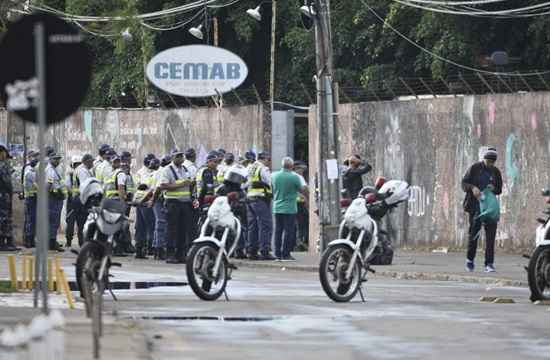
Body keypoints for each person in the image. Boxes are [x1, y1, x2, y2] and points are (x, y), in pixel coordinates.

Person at [462, 147, 503, 273]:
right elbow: (464, 183)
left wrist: (493, 188)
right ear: (483, 159)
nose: (489, 164)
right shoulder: (475, 168)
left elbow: (499, 189)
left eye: (492, 162)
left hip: (489, 208)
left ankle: (489, 264)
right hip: (475, 206)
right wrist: (473, 188)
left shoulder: (496, 172)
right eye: (487, 161)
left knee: (490, 236)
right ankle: (470, 260)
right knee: (474, 233)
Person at [160, 149, 196, 264]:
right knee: (171, 229)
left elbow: (189, 184)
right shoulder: (167, 170)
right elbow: (163, 185)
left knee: (183, 229)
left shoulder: (185, 169)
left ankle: (180, 254)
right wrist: (180, 184)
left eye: (181, 156)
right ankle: (170, 254)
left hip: (185, 203)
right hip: (172, 202)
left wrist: (191, 185)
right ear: (172, 158)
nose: (180, 159)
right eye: (177, 156)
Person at [271, 157, 308, 261]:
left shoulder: (273, 176)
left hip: (277, 207)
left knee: (278, 231)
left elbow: (272, 189)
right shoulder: (295, 177)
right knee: (288, 231)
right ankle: (286, 254)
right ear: (292, 166)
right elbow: (302, 190)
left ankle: (277, 254)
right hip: (290, 208)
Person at [246, 151, 276, 260]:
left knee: (252, 226)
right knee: (266, 225)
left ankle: (252, 252)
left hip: (250, 198)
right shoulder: (263, 169)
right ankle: (265, 251)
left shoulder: (250, 167)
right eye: (268, 160)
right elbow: (270, 182)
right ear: (264, 158)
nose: (269, 162)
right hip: (260, 199)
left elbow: (245, 183)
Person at [216, 163, 249, 259]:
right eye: (233, 176)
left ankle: (239, 250)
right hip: (223, 213)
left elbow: (243, 201)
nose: (234, 178)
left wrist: (241, 202)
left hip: (234, 213)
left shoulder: (240, 190)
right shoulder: (222, 188)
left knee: (240, 228)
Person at [134, 155, 157, 259]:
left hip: (140, 201)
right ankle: (148, 248)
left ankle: (139, 249)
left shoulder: (140, 172)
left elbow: (138, 186)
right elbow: (149, 188)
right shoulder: (151, 173)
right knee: (149, 226)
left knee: (140, 226)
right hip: (146, 202)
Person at [46, 153, 66, 252]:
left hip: (56, 198)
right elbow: (49, 184)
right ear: (51, 159)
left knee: (54, 221)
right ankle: (52, 242)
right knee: (54, 221)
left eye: (58, 159)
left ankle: (52, 241)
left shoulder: (54, 169)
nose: (57, 161)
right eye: (55, 159)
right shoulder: (50, 170)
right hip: (53, 198)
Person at [74, 154, 95, 245]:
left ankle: (84, 242)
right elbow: (85, 186)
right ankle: (83, 243)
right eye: (92, 161)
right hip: (82, 199)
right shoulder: (82, 171)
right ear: (87, 161)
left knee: (84, 221)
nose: (93, 163)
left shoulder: (85, 170)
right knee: (82, 221)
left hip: (83, 198)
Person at [0, 142, 17, 251]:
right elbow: (7, 182)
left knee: (4, 218)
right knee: (4, 218)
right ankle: (2, 244)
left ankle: (6, 243)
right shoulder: (3, 165)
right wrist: (11, 192)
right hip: (3, 195)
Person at [65, 155, 82, 248]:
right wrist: (74, 195)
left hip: (80, 201)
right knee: (70, 222)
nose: (78, 166)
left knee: (81, 222)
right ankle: (68, 241)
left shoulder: (83, 173)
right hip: (72, 201)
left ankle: (81, 241)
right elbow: (67, 186)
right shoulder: (70, 174)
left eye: (79, 164)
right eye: (76, 164)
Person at [22, 151, 39, 248]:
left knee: (33, 220)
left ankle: (32, 240)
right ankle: (29, 241)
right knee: (30, 220)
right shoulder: (30, 173)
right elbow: (32, 187)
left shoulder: (34, 173)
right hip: (31, 199)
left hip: (33, 199)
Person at [294, 160, 309, 251]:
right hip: (299, 203)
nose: (303, 171)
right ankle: (300, 243)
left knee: (296, 224)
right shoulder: (298, 177)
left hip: (292, 203)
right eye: (302, 169)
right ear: (296, 168)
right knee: (301, 224)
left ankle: (298, 243)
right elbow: (305, 189)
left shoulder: (291, 176)